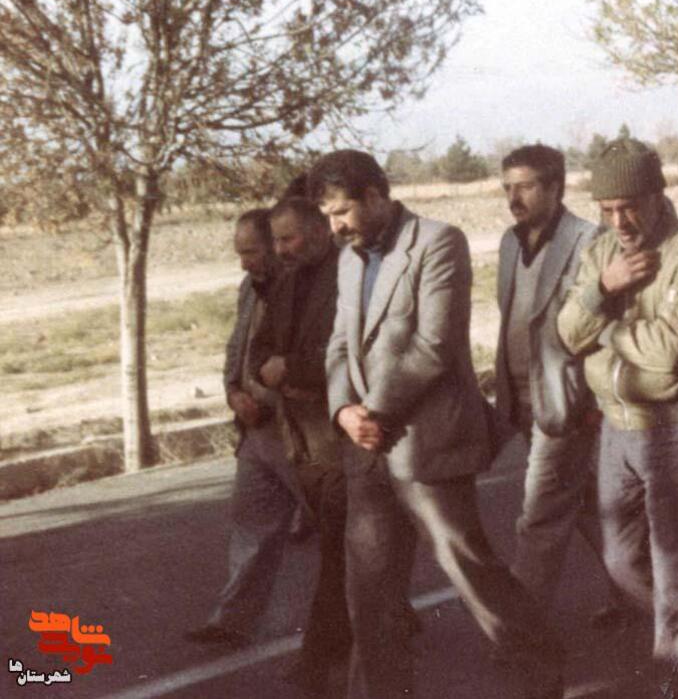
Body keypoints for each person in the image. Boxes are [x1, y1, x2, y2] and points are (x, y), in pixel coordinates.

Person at [318, 149, 563, 699]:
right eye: (327, 216)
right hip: (365, 447)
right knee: (369, 598)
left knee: (472, 573)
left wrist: (373, 412)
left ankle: (541, 676)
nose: (334, 228)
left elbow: (434, 345)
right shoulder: (349, 258)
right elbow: (337, 344)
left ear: (375, 196)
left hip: (425, 444)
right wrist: (343, 411)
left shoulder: (438, 242)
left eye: (341, 212)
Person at [557, 139, 678, 696]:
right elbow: (567, 333)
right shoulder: (600, 254)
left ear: (657, 196)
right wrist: (602, 289)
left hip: (677, 426)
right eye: (607, 209)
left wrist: (607, 330)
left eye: (629, 206)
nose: (619, 221)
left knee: (675, 571)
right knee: (621, 561)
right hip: (617, 425)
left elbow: (669, 352)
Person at [494, 144, 626, 625]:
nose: (514, 198)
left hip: (567, 401)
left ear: (555, 187)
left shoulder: (591, 241)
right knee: (587, 503)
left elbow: (604, 326)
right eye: (508, 188)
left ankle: (522, 633)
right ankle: (639, 593)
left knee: (540, 516)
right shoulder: (510, 243)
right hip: (522, 399)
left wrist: (593, 402)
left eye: (526, 187)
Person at [184, 209, 306, 649]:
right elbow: (237, 348)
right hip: (257, 433)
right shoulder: (249, 290)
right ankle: (233, 621)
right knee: (251, 524)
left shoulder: (304, 287)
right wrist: (233, 393)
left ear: (275, 243)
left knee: (345, 533)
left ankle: (385, 612)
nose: (244, 263)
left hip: (299, 434)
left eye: (251, 251)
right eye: (240, 253)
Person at [248, 194, 351, 694]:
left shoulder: (347, 274)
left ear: (317, 230)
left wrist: (292, 368)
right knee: (345, 548)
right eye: (277, 241)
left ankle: (317, 659)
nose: (282, 250)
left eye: (288, 239)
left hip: (338, 438)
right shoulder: (287, 284)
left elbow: (345, 351)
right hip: (301, 439)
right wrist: (275, 370)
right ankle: (383, 619)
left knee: (336, 550)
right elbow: (259, 350)